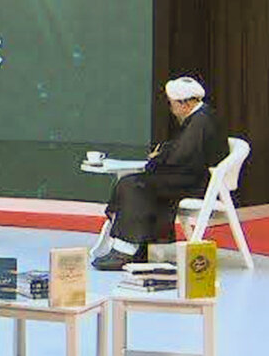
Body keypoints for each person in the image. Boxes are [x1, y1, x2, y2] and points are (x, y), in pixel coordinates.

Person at [92, 76, 230, 270]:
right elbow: (181, 151)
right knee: (134, 182)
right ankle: (138, 245)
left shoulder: (201, 121)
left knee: (134, 185)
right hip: (190, 178)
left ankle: (126, 249)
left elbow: (181, 157)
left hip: (197, 184)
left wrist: (157, 158)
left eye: (172, 104)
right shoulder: (202, 117)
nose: (171, 109)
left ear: (185, 103)